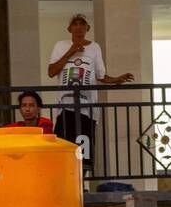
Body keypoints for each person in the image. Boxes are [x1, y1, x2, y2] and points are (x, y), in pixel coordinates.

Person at [47, 13, 135, 166]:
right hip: (66, 106)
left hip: (87, 108)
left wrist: (116, 80)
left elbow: (100, 75)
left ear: (87, 28)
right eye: (75, 24)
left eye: (82, 24)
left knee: (84, 152)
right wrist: (71, 51)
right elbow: (51, 71)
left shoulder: (94, 48)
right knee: (63, 148)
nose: (79, 27)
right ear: (69, 28)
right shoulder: (60, 46)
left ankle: (82, 184)